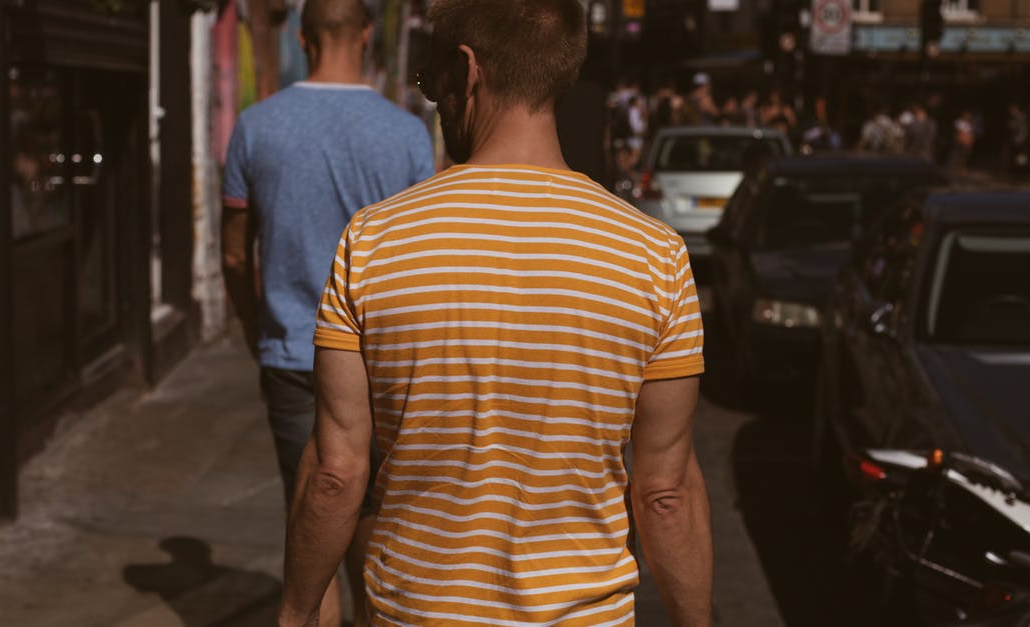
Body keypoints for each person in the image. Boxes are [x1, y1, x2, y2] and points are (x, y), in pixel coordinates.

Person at [278, 0, 713, 625]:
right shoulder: (655, 256)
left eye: (431, 82)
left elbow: (335, 471)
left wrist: (295, 612)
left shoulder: (372, 241)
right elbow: (664, 492)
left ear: (467, 70)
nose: (433, 98)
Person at [219, 0, 434, 625]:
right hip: (381, 364)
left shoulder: (257, 127)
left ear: (302, 37)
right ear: (367, 36)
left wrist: (255, 325)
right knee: (374, 516)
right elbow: (420, 258)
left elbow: (235, 257)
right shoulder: (407, 133)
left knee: (309, 516)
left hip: (293, 352)